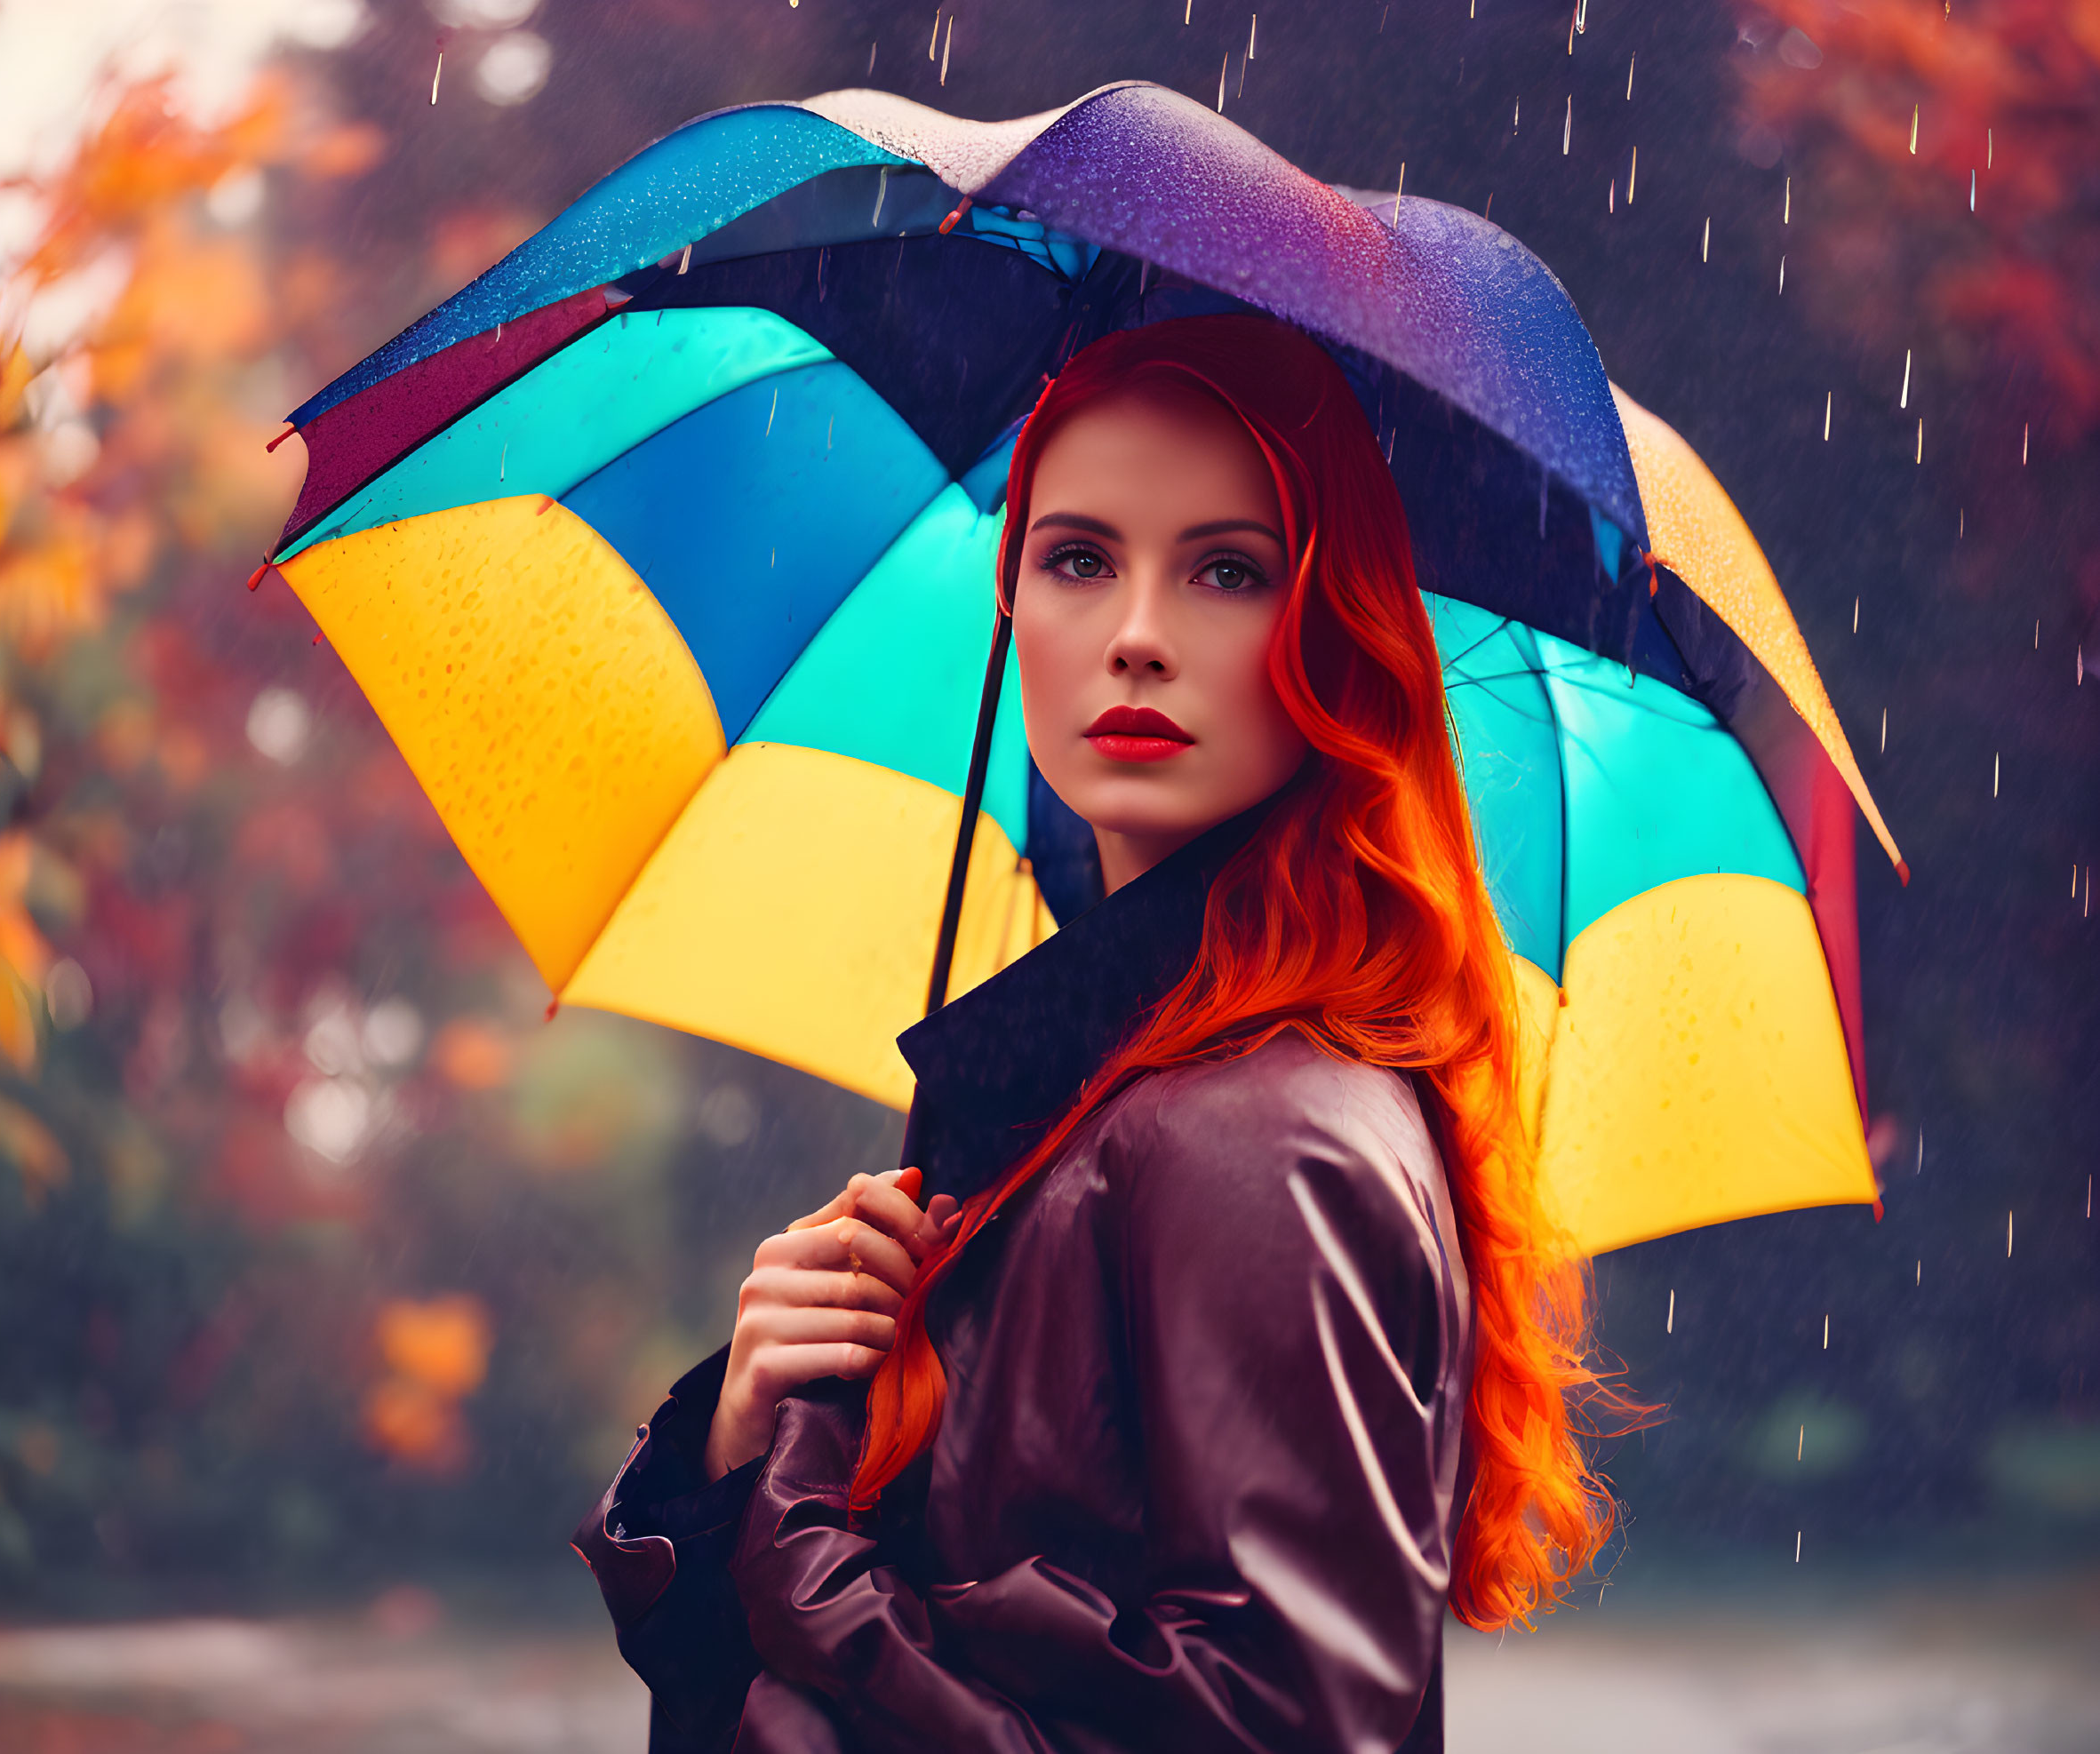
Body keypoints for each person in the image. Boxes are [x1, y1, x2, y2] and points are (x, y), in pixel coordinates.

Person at [574, 313, 1625, 1752]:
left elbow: (1280, 1732)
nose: (1136, 633)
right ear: (1011, 602)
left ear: (1329, 624)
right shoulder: (1099, 1092)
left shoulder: (1261, 1134)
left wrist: (808, 1534)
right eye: (1076, 558)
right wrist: (758, 1420)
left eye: (1227, 569)